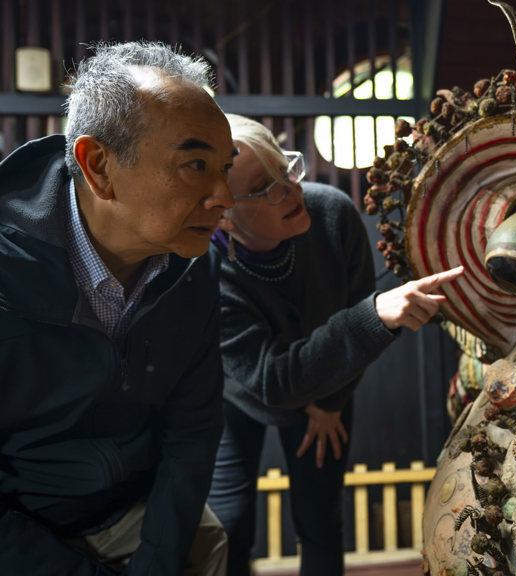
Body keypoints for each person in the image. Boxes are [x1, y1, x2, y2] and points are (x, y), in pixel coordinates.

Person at [0, 41, 236, 575]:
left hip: (131, 504)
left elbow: (194, 429)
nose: (224, 194)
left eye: (225, 167)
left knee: (207, 540)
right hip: (25, 523)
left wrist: (156, 563)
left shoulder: (194, 268)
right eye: (195, 164)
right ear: (99, 165)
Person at [206, 114, 462, 576]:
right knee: (229, 523)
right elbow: (271, 380)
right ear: (223, 211)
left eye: (287, 169)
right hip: (236, 392)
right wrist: (374, 316)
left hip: (327, 386)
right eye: (267, 187)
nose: (292, 190)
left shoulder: (331, 213)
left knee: (320, 519)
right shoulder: (206, 267)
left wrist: (330, 402)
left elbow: (357, 312)